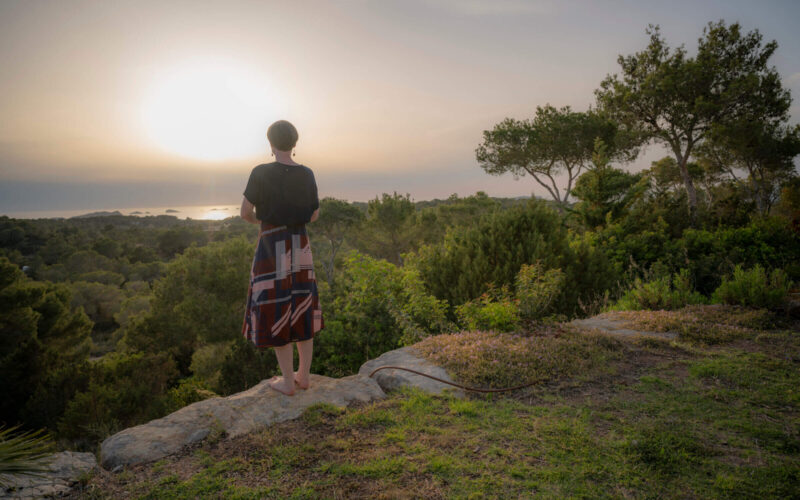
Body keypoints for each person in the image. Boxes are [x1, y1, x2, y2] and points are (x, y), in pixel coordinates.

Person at [240, 120, 324, 396]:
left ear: (271, 143)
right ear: (295, 143)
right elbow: (314, 214)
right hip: (299, 244)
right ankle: (304, 376)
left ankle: (288, 381)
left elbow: (245, 212)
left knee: (276, 306)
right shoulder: (307, 173)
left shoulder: (260, 172)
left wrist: (264, 222)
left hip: (271, 244)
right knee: (302, 304)